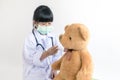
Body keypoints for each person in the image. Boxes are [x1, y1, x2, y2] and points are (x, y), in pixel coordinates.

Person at [23, 5, 63, 80]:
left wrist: (54, 69)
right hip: (34, 75)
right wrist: (47, 53)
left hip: (49, 75)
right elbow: (30, 59)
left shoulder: (53, 37)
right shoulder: (30, 39)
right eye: (43, 24)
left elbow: (57, 55)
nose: (47, 26)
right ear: (35, 23)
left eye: (49, 23)